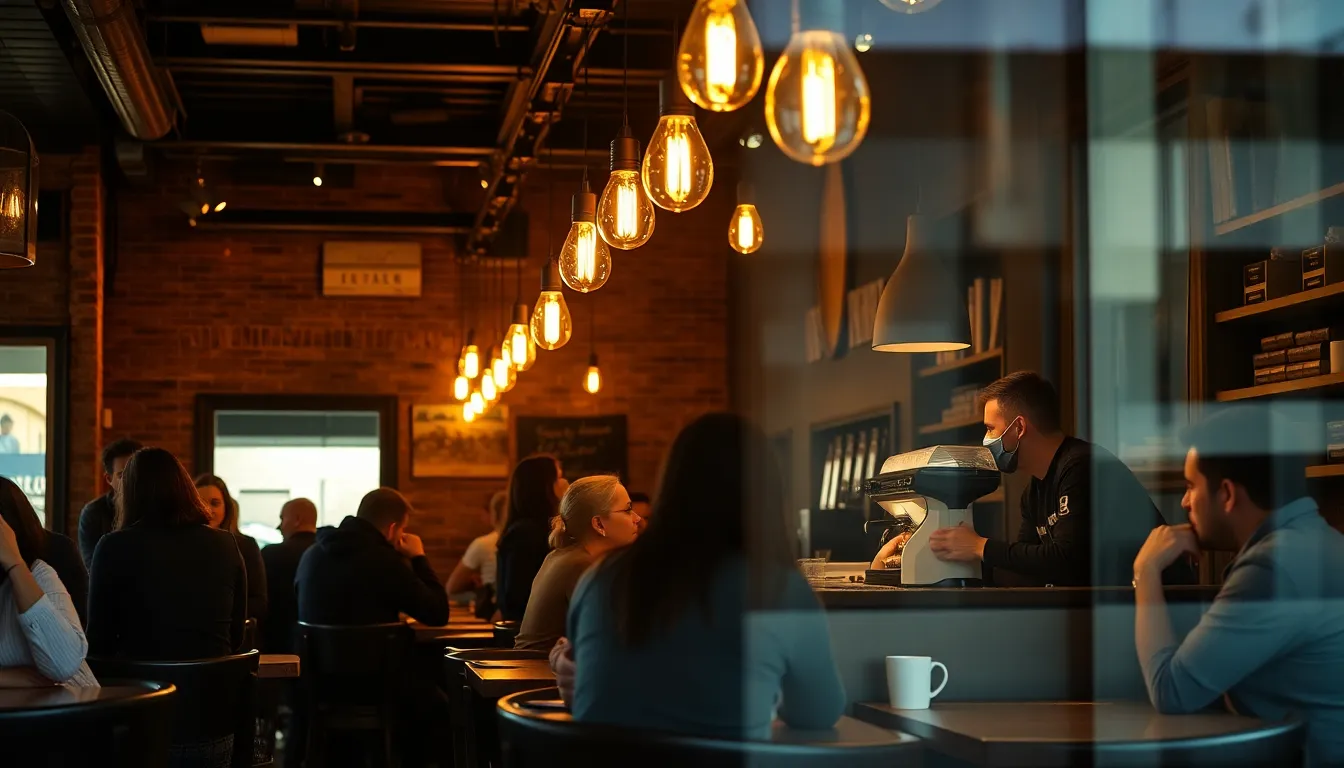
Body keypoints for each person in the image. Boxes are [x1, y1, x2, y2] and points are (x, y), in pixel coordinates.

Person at [560, 413, 845, 740]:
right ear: (766, 492)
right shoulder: (778, 587)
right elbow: (818, 712)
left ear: (670, 484)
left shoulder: (600, 578)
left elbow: (588, 688)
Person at [1133, 406, 1344, 767]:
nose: (1184, 502)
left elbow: (1172, 691)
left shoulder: (1272, 568)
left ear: (1227, 493)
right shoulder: (1320, 541)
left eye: (1190, 486)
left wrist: (1147, 570)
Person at [919, 371, 1174, 586]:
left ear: (1019, 427)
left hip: (1160, 606)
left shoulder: (1081, 466)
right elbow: (1026, 570)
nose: (986, 440)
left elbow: (1067, 559)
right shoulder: (1033, 492)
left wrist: (979, 546)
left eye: (990, 428)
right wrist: (960, 554)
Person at [87, 448, 248, 659]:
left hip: (139, 685)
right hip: (213, 684)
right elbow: (236, 635)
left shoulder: (113, 546)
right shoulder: (225, 543)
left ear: (130, 495)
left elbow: (99, 641)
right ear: (186, 488)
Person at [514, 476, 640, 652]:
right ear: (598, 523)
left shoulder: (562, 555)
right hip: (542, 673)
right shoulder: (582, 565)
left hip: (540, 669)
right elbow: (610, 634)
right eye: (627, 510)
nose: (637, 518)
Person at [295, 487, 449, 626]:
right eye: (402, 528)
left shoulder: (311, 555)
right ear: (392, 529)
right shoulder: (385, 563)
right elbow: (438, 614)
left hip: (317, 657)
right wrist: (418, 557)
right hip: (374, 656)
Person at [0, 477, 97, 687]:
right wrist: (7, 677)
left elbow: (63, 666)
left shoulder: (39, 574)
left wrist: (14, 563)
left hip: (69, 709)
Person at [496, 456, 568, 622]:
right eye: (558, 477)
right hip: (534, 636)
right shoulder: (526, 534)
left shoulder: (527, 530)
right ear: (542, 487)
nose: (565, 483)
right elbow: (517, 598)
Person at [196, 474, 269, 627]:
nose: (208, 509)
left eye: (215, 503)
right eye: (200, 503)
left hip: (234, 632)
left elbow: (259, 602)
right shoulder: (183, 545)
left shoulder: (246, 546)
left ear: (226, 507)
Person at [260, 498, 318, 654]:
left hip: (278, 647)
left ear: (297, 520)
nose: (279, 527)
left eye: (282, 518)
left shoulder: (271, 555)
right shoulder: (327, 555)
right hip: (321, 650)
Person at [77, 438, 142, 572]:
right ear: (109, 479)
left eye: (136, 473)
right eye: (122, 475)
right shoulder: (94, 513)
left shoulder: (158, 508)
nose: (131, 480)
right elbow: (95, 569)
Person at [446, 490, 506, 620]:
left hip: (494, 614)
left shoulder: (483, 544)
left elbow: (451, 588)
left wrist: (478, 591)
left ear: (493, 514)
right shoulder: (537, 540)